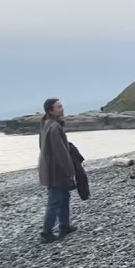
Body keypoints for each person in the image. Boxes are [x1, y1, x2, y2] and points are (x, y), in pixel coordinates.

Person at [38, 98, 77, 242]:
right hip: (55, 170)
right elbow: (61, 152)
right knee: (54, 200)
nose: (62, 108)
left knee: (64, 196)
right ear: (51, 110)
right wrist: (70, 171)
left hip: (49, 167)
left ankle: (64, 225)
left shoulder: (45, 124)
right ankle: (47, 232)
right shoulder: (54, 127)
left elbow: (42, 146)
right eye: (59, 107)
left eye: (61, 106)